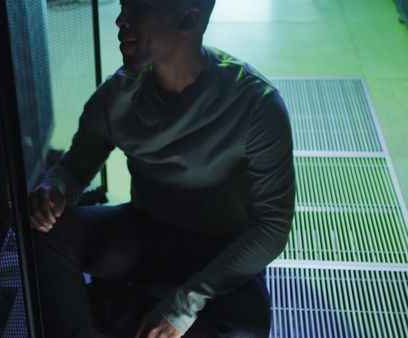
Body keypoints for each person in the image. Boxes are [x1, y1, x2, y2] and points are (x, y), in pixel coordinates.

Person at [29, 0, 295, 337]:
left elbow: (272, 227)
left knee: (245, 331)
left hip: (219, 250)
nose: (121, 20)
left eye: (136, 10)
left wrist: (183, 306)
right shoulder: (121, 92)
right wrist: (55, 188)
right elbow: (79, 161)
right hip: (145, 232)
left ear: (189, 19)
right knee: (46, 234)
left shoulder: (256, 105)